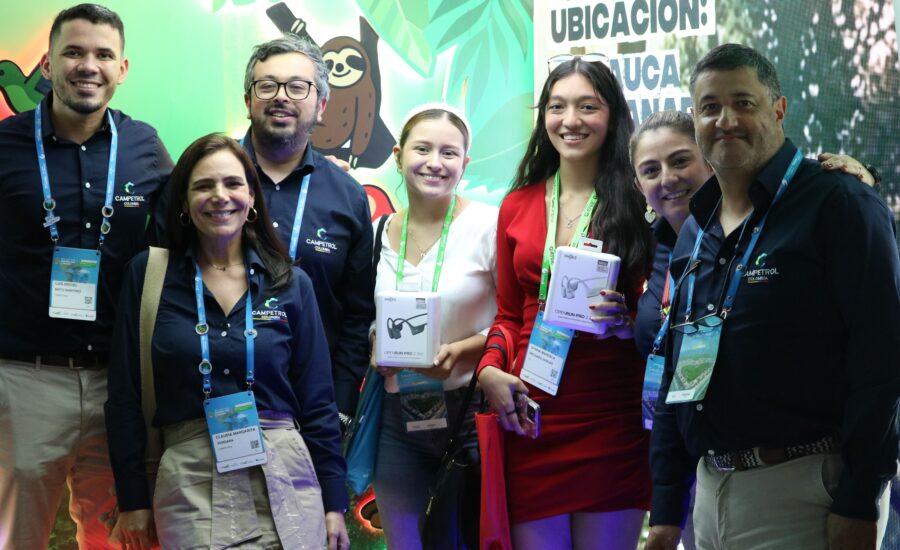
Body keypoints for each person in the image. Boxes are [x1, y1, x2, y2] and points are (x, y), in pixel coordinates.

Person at [645, 44, 900, 550]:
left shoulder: (839, 202)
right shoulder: (695, 230)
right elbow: (679, 374)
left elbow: (883, 362)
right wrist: (667, 509)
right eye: (710, 107)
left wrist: (858, 500)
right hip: (709, 494)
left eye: (743, 102)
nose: (725, 120)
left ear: (778, 109)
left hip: (806, 490)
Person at [105, 133, 350, 550]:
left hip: (287, 473)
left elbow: (317, 401)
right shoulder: (149, 276)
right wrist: (133, 498)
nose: (220, 196)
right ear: (184, 203)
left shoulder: (290, 283)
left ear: (252, 197)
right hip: (189, 478)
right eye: (204, 185)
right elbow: (124, 395)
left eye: (233, 183)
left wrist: (333, 501)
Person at [0, 4, 171, 548]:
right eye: (73, 52)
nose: (88, 65)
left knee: (115, 535)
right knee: (18, 535)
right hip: (24, 378)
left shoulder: (145, 146)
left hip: (117, 385)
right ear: (48, 64)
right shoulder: (5, 145)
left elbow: (187, 234)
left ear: (122, 68)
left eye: (103, 54)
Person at [476, 57, 653, 549]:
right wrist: (488, 369)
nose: (570, 120)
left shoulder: (640, 200)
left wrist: (628, 321)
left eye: (587, 106)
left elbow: (667, 304)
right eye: (557, 107)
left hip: (612, 418)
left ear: (612, 114)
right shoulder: (516, 204)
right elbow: (508, 313)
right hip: (531, 415)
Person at [370, 104, 497, 549]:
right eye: (422, 149)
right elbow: (368, 317)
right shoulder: (378, 230)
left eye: (449, 152)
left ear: (465, 162)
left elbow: (515, 317)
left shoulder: (488, 225)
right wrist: (375, 342)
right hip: (398, 415)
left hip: (469, 412)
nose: (434, 162)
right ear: (398, 155)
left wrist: (463, 350)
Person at [241, 34, 374, 422]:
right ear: (248, 101)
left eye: (298, 87)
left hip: (312, 404)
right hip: (216, 394)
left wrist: (341, 404)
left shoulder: (348, 196)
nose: (281, 97)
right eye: (267, 85)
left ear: (321, 106)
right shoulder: (208, 180)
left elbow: (357, 313)